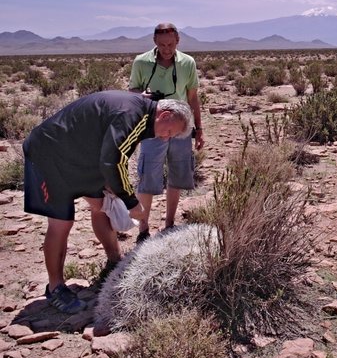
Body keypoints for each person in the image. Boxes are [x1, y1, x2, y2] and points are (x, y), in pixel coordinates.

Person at [23, 91, 194, 314]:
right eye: (170, 131)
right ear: (165, 114)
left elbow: (112, 154)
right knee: (61, 223)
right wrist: (132, 203)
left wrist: (113, 189)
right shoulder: (134, 115)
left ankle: (115, 260)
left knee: (101, 206)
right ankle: (55, 287)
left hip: (79, 158)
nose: (166, 138)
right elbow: (113, 160)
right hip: (50, 155)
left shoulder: (142, 113)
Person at [129, 23, 204, 243]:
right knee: (148, 175)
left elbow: (192, 98)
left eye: (170, 44)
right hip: (153, 126)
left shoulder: (187, 63)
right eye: (162, 44)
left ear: (178, 40)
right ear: (154, 41)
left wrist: (198, 129)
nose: (166, 49)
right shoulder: (141, 62)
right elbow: (132, 91)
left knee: (178, 174)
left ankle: (169, 224)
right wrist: (141, 95)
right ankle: (143, 227)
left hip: (181, 127)